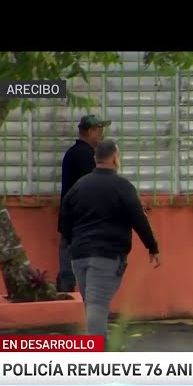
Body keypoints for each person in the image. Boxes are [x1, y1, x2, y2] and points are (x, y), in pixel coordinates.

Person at [59, 140, 161, 347]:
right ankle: (97, 358)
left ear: (96, 159)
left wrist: (73, 243)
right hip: (106, 255)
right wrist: (152, 247)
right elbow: (138, 218)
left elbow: (64, 220)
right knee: (97, 304)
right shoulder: (122, 187)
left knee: (93, 304)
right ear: (115, 159)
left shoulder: (79, 186)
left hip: (79, 255)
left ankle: (101, 348)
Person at [56, 115, 111, 292]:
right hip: (80, 218)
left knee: (67, 254)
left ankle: (66, 292)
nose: (101, 135)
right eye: (99, 131)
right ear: (89, 131)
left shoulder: (72, 153)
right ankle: (70, 295)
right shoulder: (86, 155)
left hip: (70, 215)